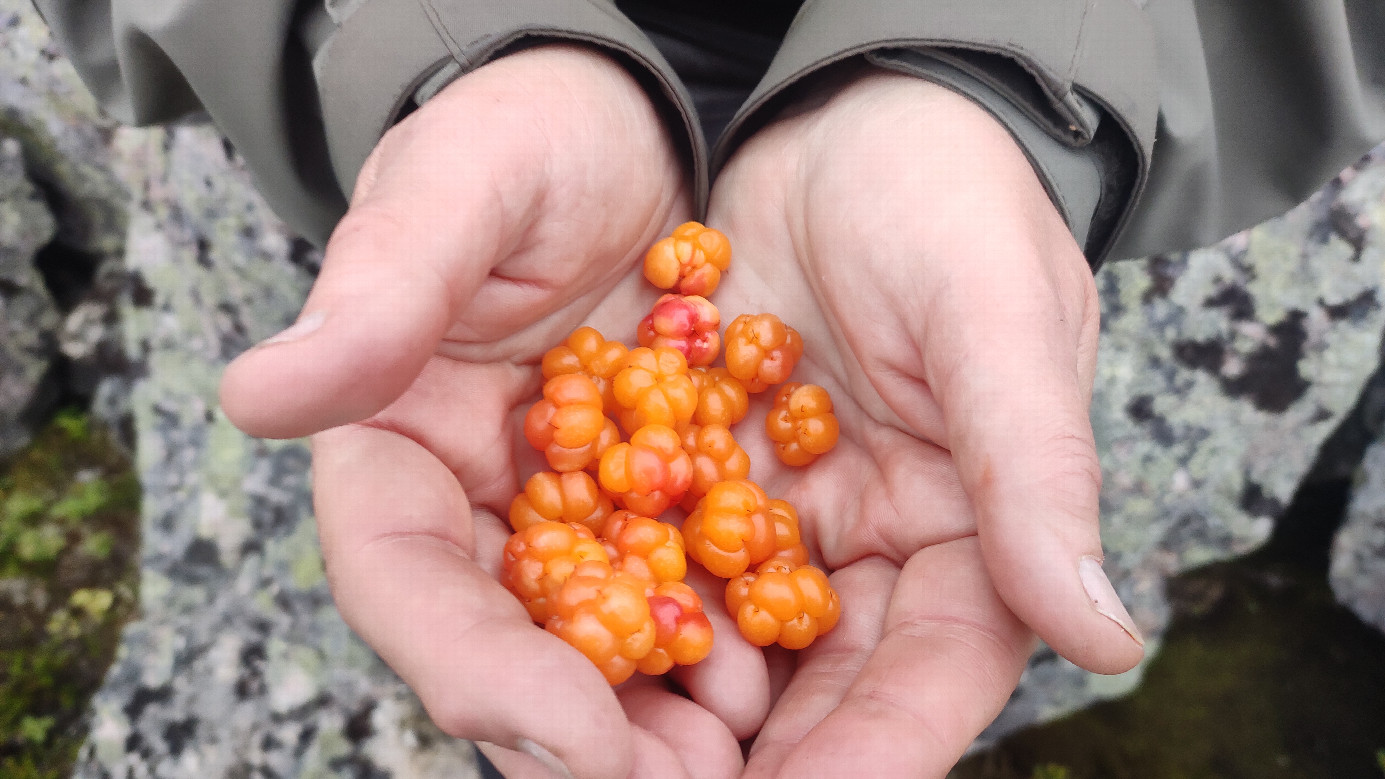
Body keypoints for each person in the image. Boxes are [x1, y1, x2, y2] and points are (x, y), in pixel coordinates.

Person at [34, 1, 1385, 776]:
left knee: (941, 594)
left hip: (1086, 200)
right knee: (378, 591)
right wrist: (404, 33)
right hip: (386, 195)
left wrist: (1021, 75)